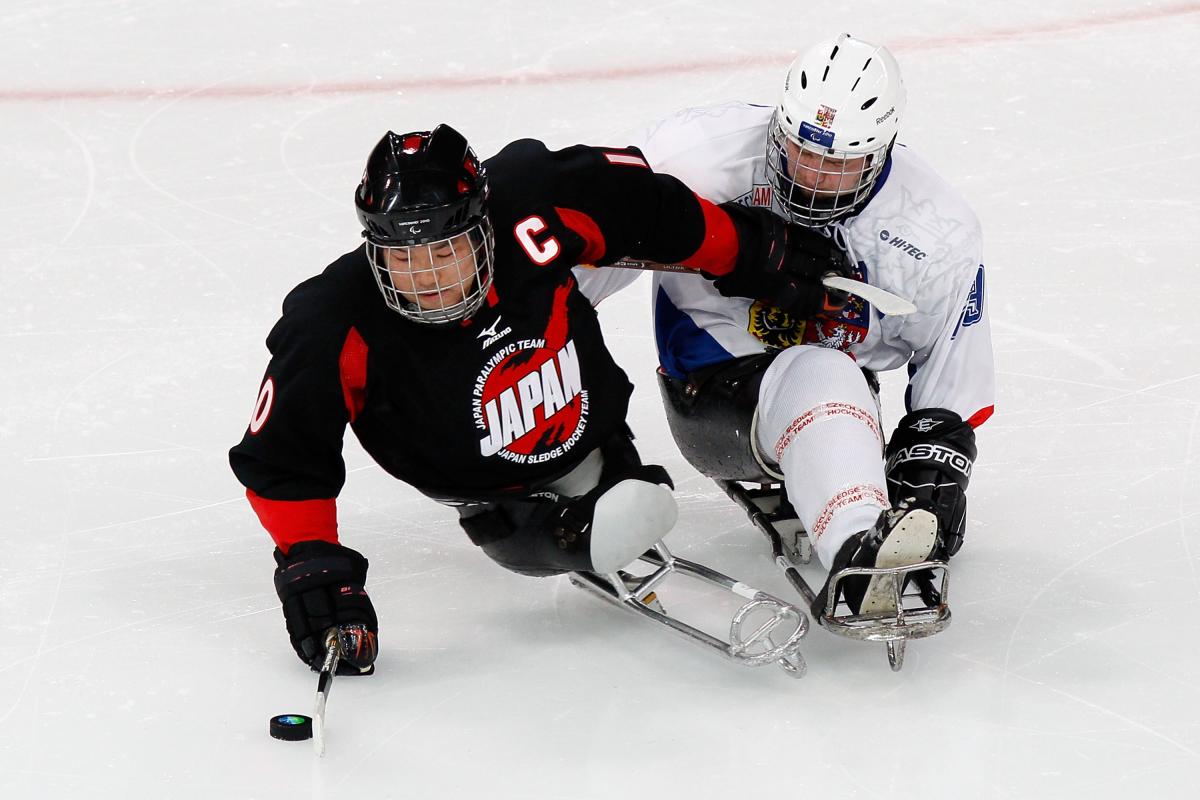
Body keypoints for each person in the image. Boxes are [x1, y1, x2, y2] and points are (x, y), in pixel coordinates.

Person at [229, 123, 848, 673]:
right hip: (495, 501)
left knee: (633, 499)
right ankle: (578, 526)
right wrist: (313, 566)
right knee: (610, 518)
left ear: (483, 223)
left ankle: (609, 488)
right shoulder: (333, 319)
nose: (429, 278)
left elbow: (650, 208)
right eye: (404, 257)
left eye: (445, 251)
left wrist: (748, 254)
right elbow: (284, 456)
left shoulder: (532, 199)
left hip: (592, 434)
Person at [580, 33, 994, 622]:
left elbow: (953, 373)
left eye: (839, 164)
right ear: (778, 124)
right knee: (823, 369)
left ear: (882, 153)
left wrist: (932, 476)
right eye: (802, 152)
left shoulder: (936, 231)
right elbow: (581, 266)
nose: (812, 180)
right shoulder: (695, 158)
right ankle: (860, 542)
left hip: (847, 394)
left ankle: (870, 540)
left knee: (831, 373)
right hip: (709, 388)